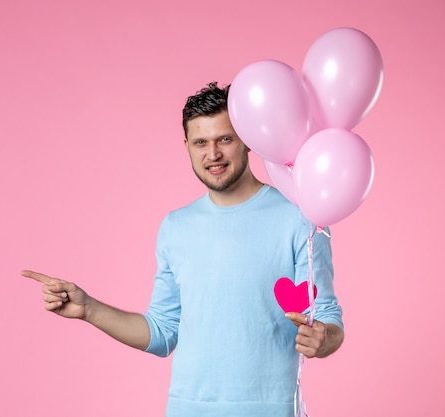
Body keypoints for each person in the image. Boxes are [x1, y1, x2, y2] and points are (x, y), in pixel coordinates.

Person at [22, 82, 344, 417]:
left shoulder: (299, 217)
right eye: (201, 142)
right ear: (187, 146)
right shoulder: (176, 227)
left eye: (225, 139)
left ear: (247, 140)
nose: (213, 154)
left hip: (273, 410)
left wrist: (323, 339)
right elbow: (162, 332)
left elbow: (327, 318)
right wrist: (88, 309)